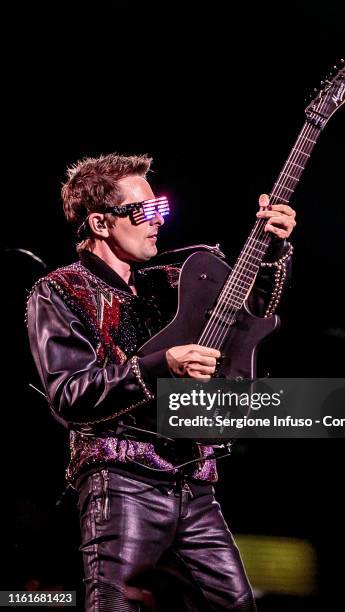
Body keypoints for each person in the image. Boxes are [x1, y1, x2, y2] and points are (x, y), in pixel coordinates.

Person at [26, 153, 296, 611]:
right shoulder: (59, 291)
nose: (157, 222)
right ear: (100, 222)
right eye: (144, 211)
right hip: (123, 481)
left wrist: (270, 254)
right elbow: (69, 394)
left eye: (161, 208)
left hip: (195, 480)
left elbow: (249, 316)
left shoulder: (170, 280)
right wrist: (159, 364)